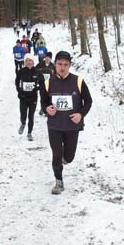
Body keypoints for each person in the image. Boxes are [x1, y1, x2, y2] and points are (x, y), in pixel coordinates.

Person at [40, 51, 92, 194]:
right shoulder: (47, 82)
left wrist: (80, 114)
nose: (62, 67)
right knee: (56, 154)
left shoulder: (78, 81)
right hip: (54, 126)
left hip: (71, 126)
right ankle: (59, 182)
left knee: (69, 157)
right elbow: (44, 101)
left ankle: (64, 160)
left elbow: (88, 101)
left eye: (65, 65)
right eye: (59, 64)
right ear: (55, 64)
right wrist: (46, 109)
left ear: (69, 66)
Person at [15, 53, 44, 141]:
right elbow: (17, 82)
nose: (29, 62)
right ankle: (23, 123)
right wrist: (19, 92)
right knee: (23, 115)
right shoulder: (21, 71)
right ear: (25, 62)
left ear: (33, 62)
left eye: (30, 60)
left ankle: (29, 133)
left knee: (31, 116)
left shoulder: (37, 71)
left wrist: (37, 88)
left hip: (33, 97)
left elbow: (43, 83)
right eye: (27, 61)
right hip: (23, 97)